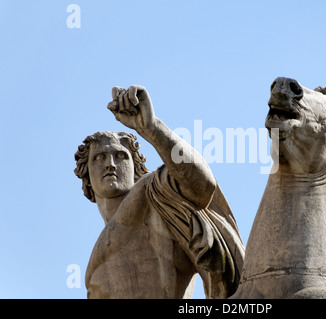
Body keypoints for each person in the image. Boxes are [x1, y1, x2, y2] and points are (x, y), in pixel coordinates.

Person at [74, 85, 244, 298]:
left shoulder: (153, 194)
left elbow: (203, 185)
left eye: (120, 156)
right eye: (99, 158)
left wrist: (152, 128)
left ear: (136, 169)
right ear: (86, 176)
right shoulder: (93, 265)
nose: (110, 164)